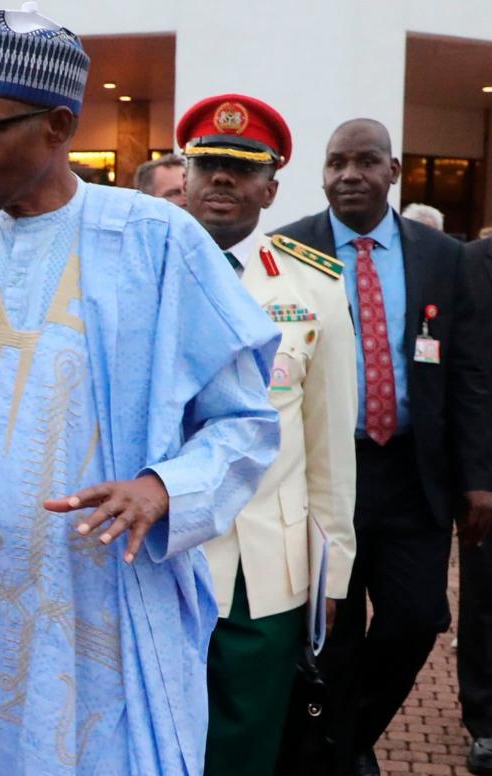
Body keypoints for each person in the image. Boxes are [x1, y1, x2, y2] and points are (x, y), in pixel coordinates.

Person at [0, 7, 280, 773]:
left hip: (97, 601)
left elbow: (243, 423)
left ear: (59, 126)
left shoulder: (155, 240)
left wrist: (162, 487)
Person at [274, 118, 492, 776]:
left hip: (412, 473)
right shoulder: (289, 249)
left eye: (366, 161)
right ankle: (340, 753)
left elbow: (469, 372)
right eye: (337, 161)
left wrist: (478, 476)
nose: (349, 174)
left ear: (392, 171)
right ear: (321, 172)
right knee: (333, 630)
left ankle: (347, 731)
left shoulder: (440, 255)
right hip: (325, 474)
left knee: (417, 619)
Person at [177, 94, 358, 775]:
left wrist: (332, 571)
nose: (222, 179)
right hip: (157, 553)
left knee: (243, 747)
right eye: (209, 164)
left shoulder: (311, 288)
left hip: (262, 569)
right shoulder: (142, 270)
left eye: (241, 167)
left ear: (270, 188)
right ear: (184, 175)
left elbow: (329, 445)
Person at [461, 231, 492, 776]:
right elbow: (471, 373)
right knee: (486, 601)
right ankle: (486, 724)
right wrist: (478, 476)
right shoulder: (477, 262)